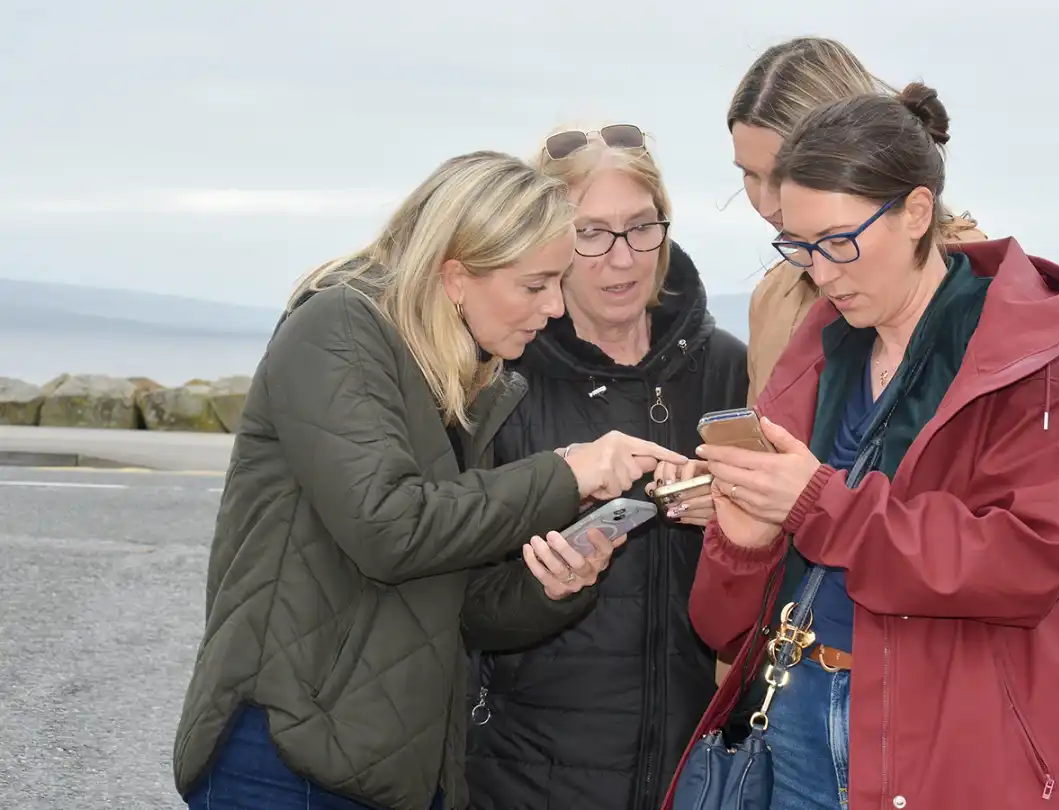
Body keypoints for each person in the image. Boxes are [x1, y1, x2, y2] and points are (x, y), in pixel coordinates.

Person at [666, 85, 1059, 810]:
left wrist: (814, 502)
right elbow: (722, 625)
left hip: (959, 744)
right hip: (795, 719)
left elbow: (1025, 563)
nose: (821, 274)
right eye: (798, 247)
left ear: (917, 212)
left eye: (839, 243)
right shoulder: (818, 352)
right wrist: (742, 544)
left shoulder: (1044, 362)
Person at [171, 150, 686, 810]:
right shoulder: (337, 330)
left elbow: (457, 601)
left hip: (397, 767)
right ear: (455, 276)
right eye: (535, 285)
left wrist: (550, 586)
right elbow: (391, 528)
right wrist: (565, 471)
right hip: (288, 756)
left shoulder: (461, 376)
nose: (555, 307)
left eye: (558, 282)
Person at [463, 126, 749, 810]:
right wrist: (547, 586)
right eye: (589, 234)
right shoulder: (501, 380)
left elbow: (775, 578)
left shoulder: (731, 368)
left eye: (640, 228)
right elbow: (460, 599)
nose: (621, 260)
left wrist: (740, 520)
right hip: (526, 772)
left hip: (694, 766)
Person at [728, 36, 989, 405]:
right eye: (749, 175)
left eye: (783, 174)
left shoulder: (972, 280)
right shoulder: (773, 297)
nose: (769, 204)